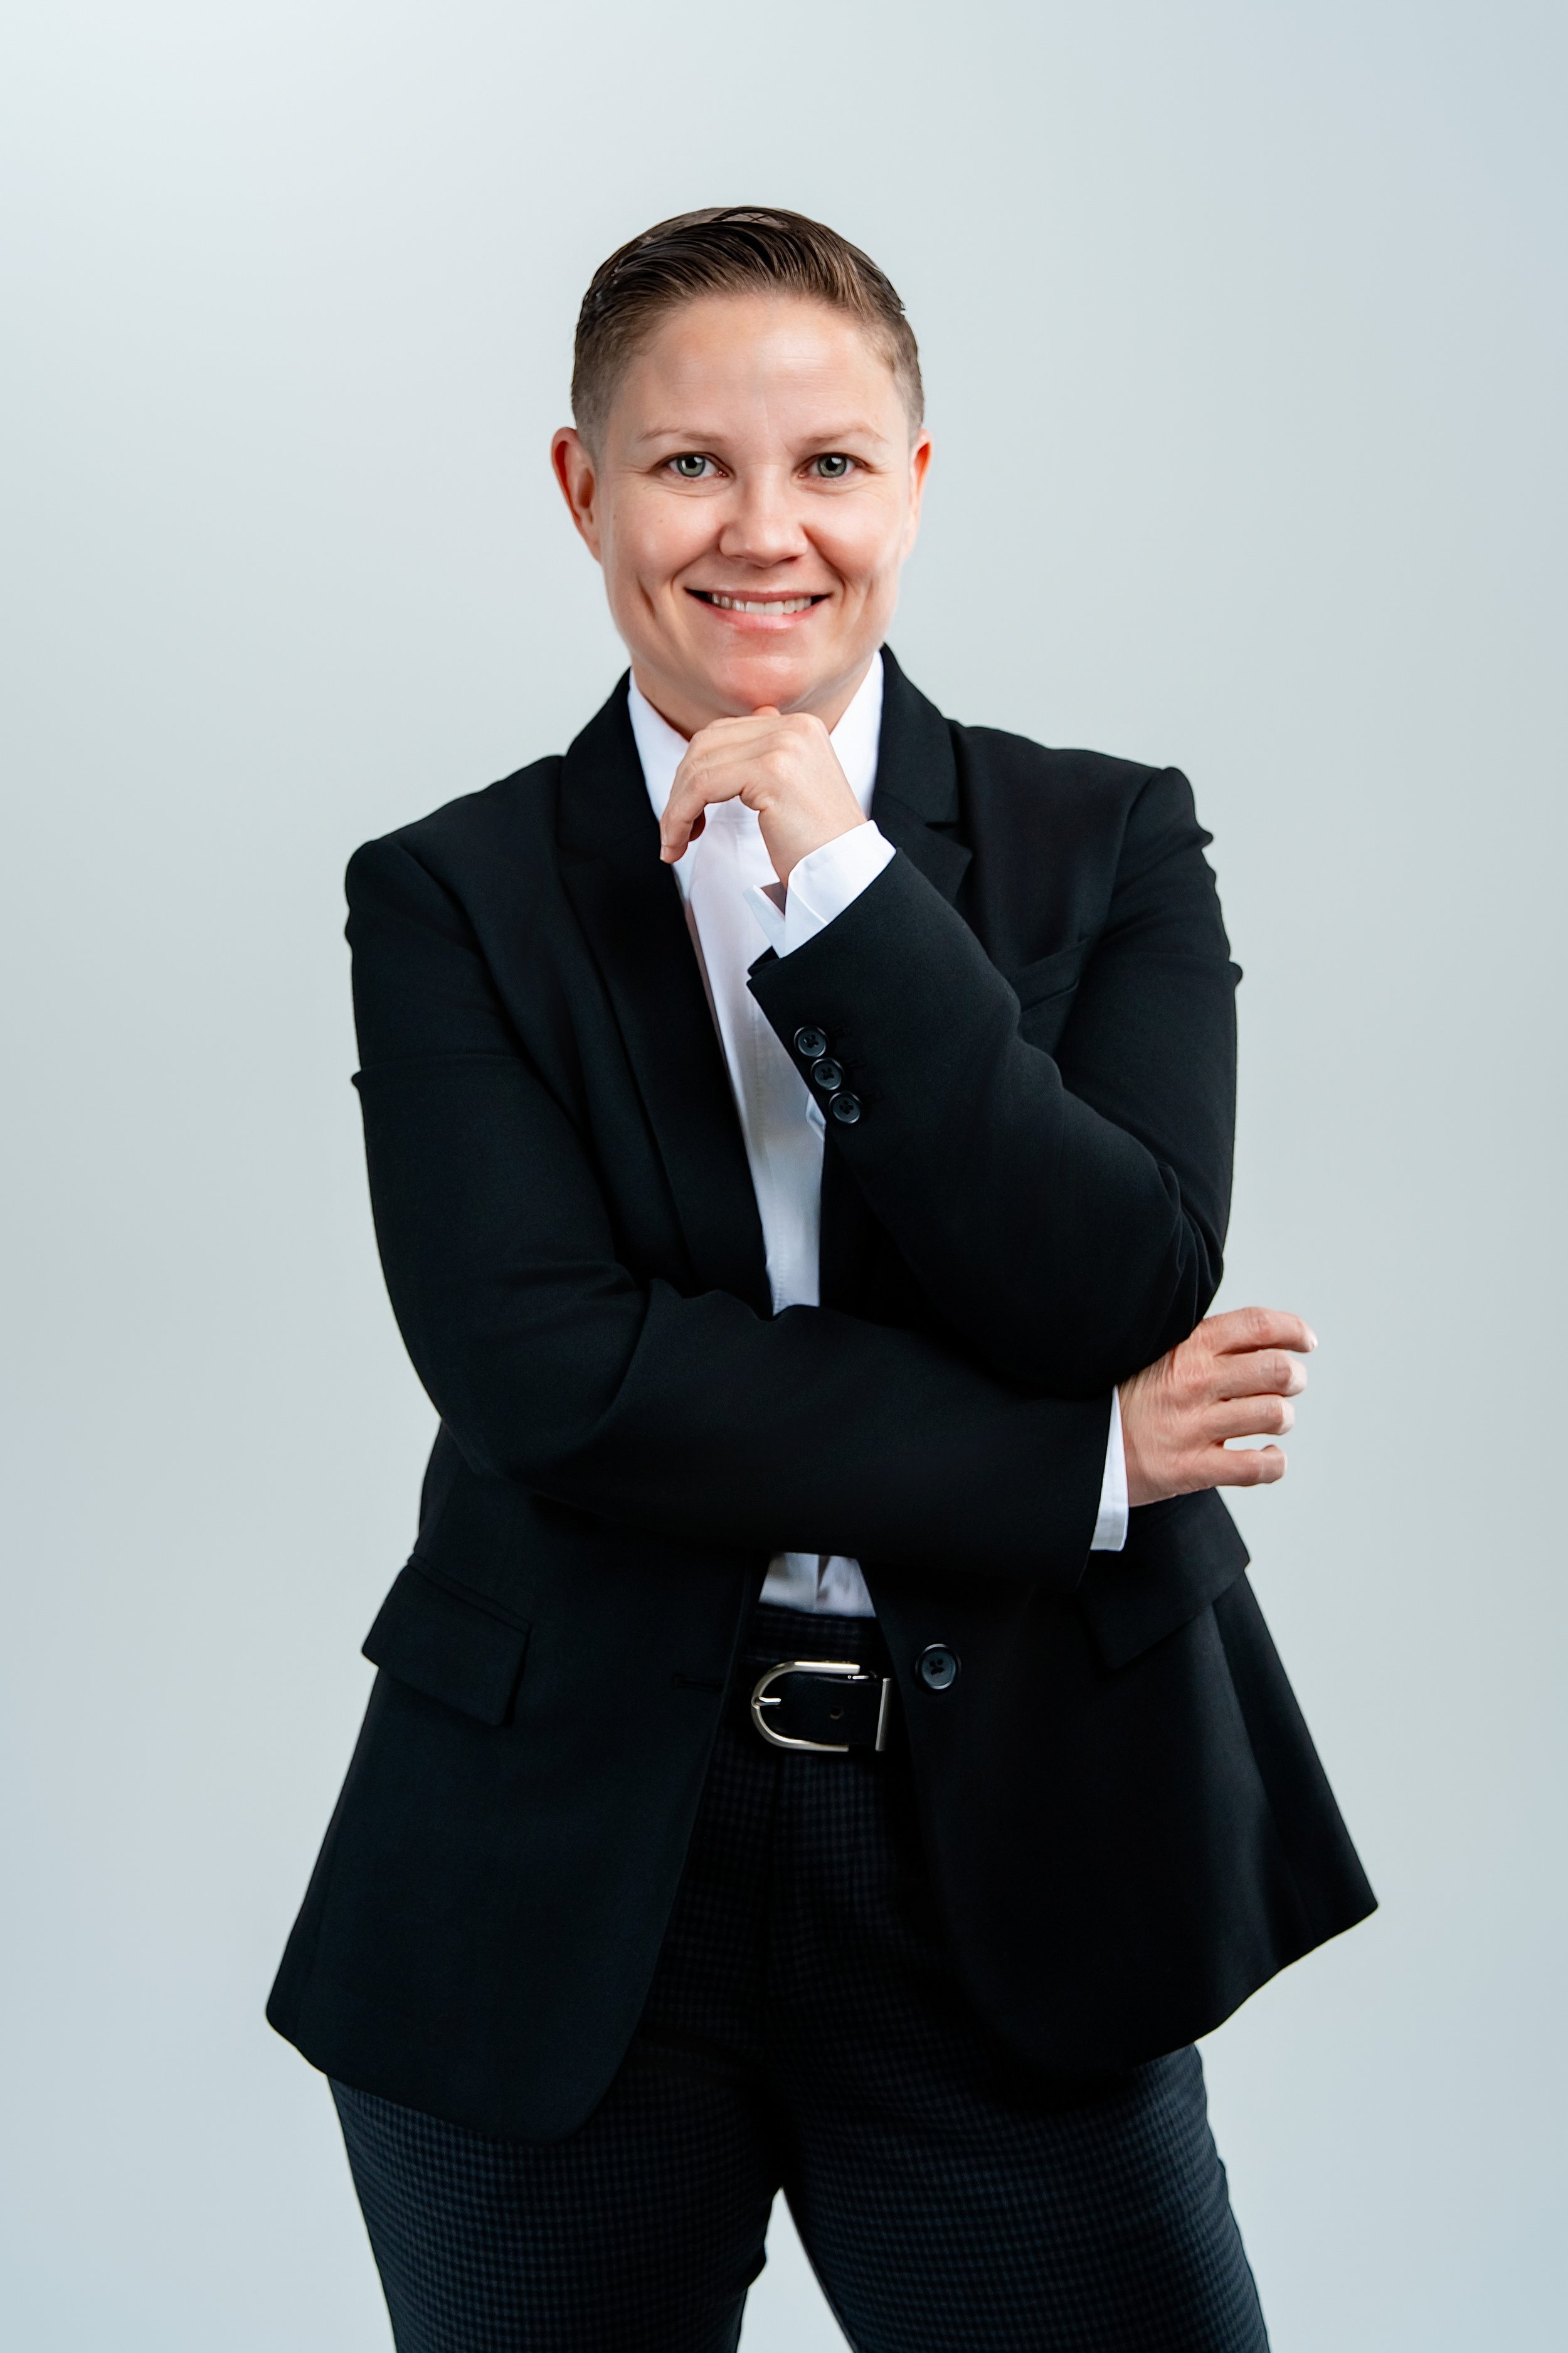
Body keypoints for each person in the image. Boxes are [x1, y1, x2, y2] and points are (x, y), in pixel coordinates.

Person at [268, 206, 1374, 2353]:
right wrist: (1073, 1463)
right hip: (560, 1861)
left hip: (1014, 1851)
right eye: (690, 463)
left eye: (832, 465)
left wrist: (846, 891)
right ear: (583, 485)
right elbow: (550, 1378)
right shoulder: (450, 893)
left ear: (916, 487)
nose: (763, 531)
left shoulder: (1107, 841)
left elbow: (1115, 1279)